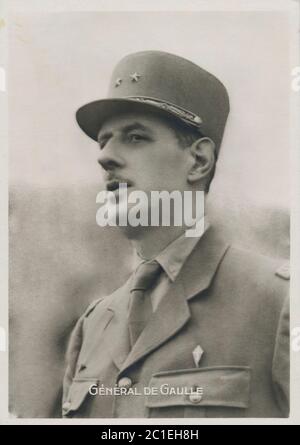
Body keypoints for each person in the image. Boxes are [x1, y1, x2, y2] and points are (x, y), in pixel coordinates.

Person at [62, 51, 289, 418]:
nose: (105, 157)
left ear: (198, 161)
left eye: (135, 137)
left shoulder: (278, 302)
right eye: (103, 141)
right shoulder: (93, 326)